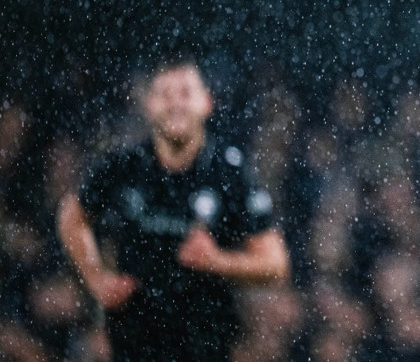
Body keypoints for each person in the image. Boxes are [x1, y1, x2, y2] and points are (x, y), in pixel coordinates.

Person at [57, 57, 290, 362]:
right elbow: (71, 216)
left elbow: (275, 264)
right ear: (148, 104)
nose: (175, 104)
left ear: (206, 102)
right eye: (165, 94)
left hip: (204, 345)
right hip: (133, 345)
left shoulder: (229, 173)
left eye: (185, 93)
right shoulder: (124, 166)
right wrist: (96, 278)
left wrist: (217, 260)